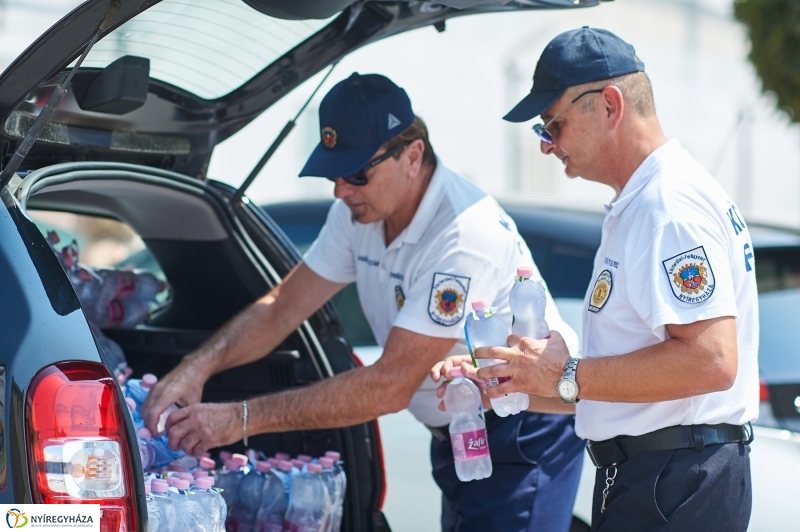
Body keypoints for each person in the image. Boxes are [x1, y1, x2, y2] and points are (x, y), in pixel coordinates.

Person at [143, 72, 585, 532]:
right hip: (462, 426)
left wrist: (242, 418)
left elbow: (390, 384)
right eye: (334, 174)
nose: (340, 190)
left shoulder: (463, 236)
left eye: (356, 173)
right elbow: (282, 307)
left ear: (413, 155)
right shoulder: (357, 212)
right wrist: (197, 367)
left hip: (522, 431)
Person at [433, 27, 758, 531]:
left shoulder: (666, 204)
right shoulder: (645, 202)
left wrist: (565, 374)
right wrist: (510, 383)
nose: (546, 146)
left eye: (552, 125)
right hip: (660, 474)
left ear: (609, 105)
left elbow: (711, 360)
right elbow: (629, 380)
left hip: (675, 477)